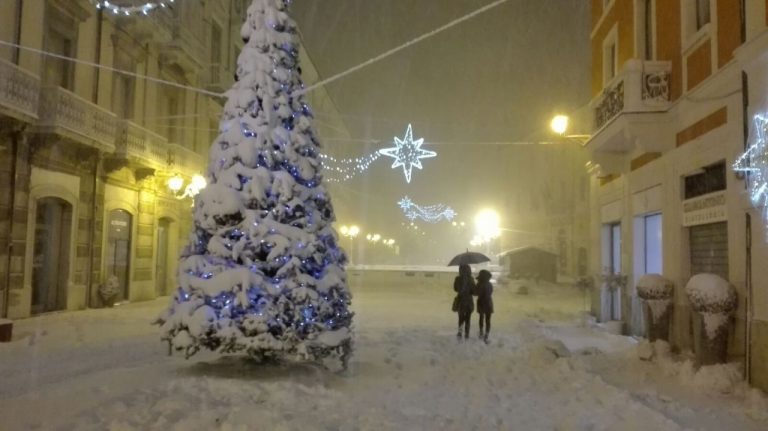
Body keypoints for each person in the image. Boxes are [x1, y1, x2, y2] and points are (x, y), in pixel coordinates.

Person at [453, 264, 475, 340]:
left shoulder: (457, 278)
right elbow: (473, 291)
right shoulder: (471, 279)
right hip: (469, 301)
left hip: (461, 300)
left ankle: (460, 333)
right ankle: (467, 334)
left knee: (460, 318)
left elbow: (455, 289)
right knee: (468, 318)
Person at [475, 269, 494, 343]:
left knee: (481, 318)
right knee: (488, 320)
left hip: (481, 302)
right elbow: (491, 292)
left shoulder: (479, 284)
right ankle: (486, 335)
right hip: (489, 302)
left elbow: (476, 293)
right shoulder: (489, 284)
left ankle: (481, 333)